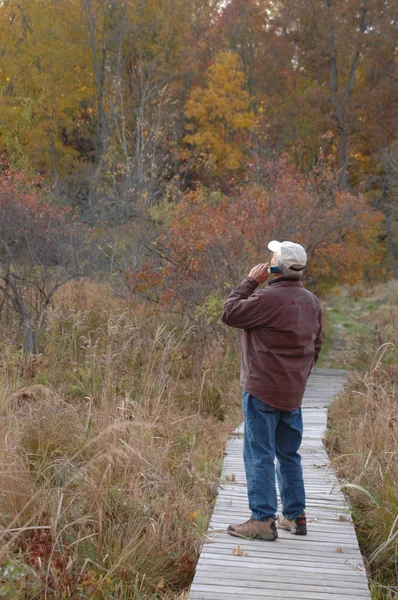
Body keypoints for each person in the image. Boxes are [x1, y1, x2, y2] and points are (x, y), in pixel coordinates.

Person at [221, 240, 322, 541]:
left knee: (259, 454)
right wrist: (299, 376)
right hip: (293, 393)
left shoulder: (266, 299)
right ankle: (294, 515)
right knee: (289, 454)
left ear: (276, 268)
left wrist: (251, 281)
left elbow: (229, 313)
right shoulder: (312, 302)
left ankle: (263, 519)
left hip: (262, 390)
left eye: (273, 257)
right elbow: (316, 346)